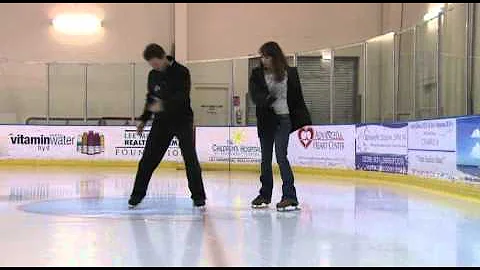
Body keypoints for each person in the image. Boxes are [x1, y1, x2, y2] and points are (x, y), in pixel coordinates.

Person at [128, 43, 206, 209]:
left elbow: (182, 97)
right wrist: (143, 119)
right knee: (148, 159)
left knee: (190, 158)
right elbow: (151, 98)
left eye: (155, 63)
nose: (154, 67)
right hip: (161, 122)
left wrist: (162, 105)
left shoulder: (182, 72)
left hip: (182, 120)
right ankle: (137, 195)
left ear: (163, 57)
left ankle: (199, 197)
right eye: (151, 64)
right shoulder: (153, 75)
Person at [249, 41, 312, 211]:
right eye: (262, 56)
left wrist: (303, 119)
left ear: (275, 57)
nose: (263, 60)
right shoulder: (256, 74)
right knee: (265, 159)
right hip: (265, 120)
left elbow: (297, 98)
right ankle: (265, 194)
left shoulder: (290, 73)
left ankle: (290, 196)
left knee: (281, 156)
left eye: (267, 56)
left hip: (284, 120)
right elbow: (255, 96)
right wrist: (268, 99)